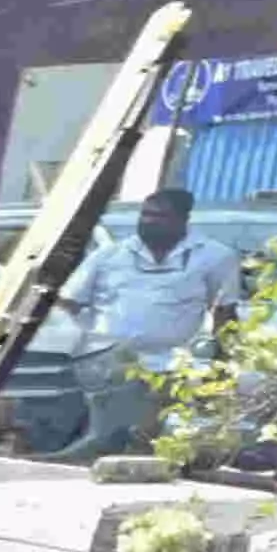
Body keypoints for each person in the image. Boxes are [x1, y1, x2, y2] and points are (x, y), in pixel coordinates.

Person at [64, 184, 248, 460]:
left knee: (147, 438)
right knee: (104, 433)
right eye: (145, 215)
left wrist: (222, 367)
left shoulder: (214, 256)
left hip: (170, 367)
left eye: (160, 217)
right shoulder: (109, 256)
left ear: (182, 220)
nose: (149, 222)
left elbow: (225, 314)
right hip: (104, 365)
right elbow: (68, 303)